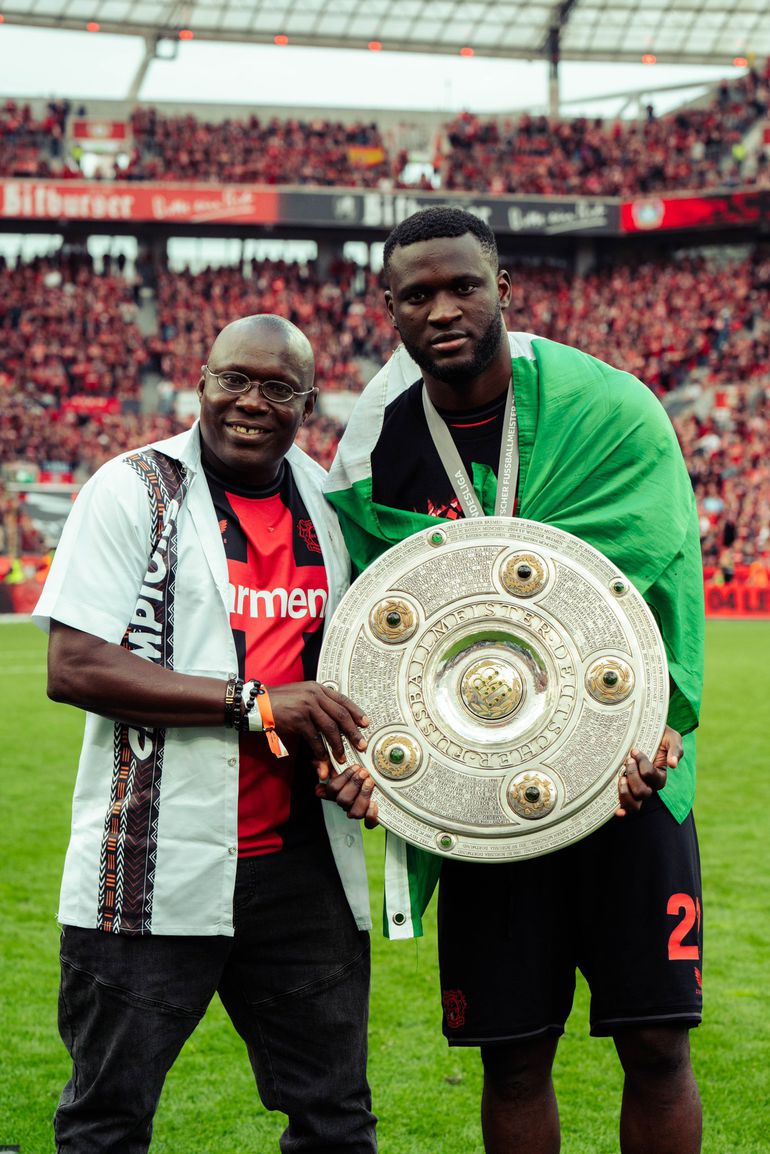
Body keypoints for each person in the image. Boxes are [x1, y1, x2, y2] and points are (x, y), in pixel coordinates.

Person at [322, 208, 704, 1154]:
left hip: (624, 772)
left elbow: (658, 571)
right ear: (389, 310)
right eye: (417, 295)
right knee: (513, 1055)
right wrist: (370, 761)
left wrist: (658, 719)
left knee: (658, 1043)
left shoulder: (604, 410)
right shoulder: (375, 451)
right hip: (479, 791)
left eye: (463, 286)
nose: (442, 309)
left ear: (503, 289)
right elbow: (367, 626)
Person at [33, 314, 377, 1153]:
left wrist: (360, 757)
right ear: (202, 383)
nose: (251, 401)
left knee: (336, 1121)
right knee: (106, 1122)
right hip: (149, 864)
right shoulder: (131, 489)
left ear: (308, 403)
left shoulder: (330, 504)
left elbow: (362, 664)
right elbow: (74, 666)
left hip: (302, 872)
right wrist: (254, 703)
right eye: (235, 379)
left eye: (278, 388)